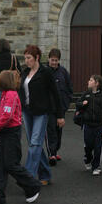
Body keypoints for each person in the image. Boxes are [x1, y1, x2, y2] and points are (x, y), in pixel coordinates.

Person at [0, 70, 41, 204]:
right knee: (0, 166)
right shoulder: (5, 94)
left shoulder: (11, 95)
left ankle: (32, 186)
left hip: (11, 133)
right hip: (5, 133)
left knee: (11, 165)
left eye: (0, 80)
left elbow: (6, 116)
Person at [19, 45, 65, 186]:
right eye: (25, 58)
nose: (26, 61)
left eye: (29, 58)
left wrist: (60, 115)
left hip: (41, 113)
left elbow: (56, 94)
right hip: (27, 112)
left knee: (34, 144)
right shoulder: (24, 72)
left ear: (37, 57)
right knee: (36, 145)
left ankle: (28, 178)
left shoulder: (45, 73)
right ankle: (45, 174)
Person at [45, 48, 73, 165]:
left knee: (58, 130)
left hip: (61, 108)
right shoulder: (44, 71)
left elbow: (69, 88)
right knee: (50, 129)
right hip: (49, 108)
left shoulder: (63, 72)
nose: (54, 62)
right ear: (48, 59)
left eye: (56, 60)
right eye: (52, 60)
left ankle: (55, 150)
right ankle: (51, 153)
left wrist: (66, 103)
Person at [76, 75, 102, 176]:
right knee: (88, 145)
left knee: (98, 147)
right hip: (87, 125)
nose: (88, 81)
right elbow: (77, 103)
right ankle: (88, 158)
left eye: (91, 80)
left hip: (99, 125)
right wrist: (82, 104)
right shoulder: (86, 93)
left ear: (97, 83)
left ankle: (96, 166)